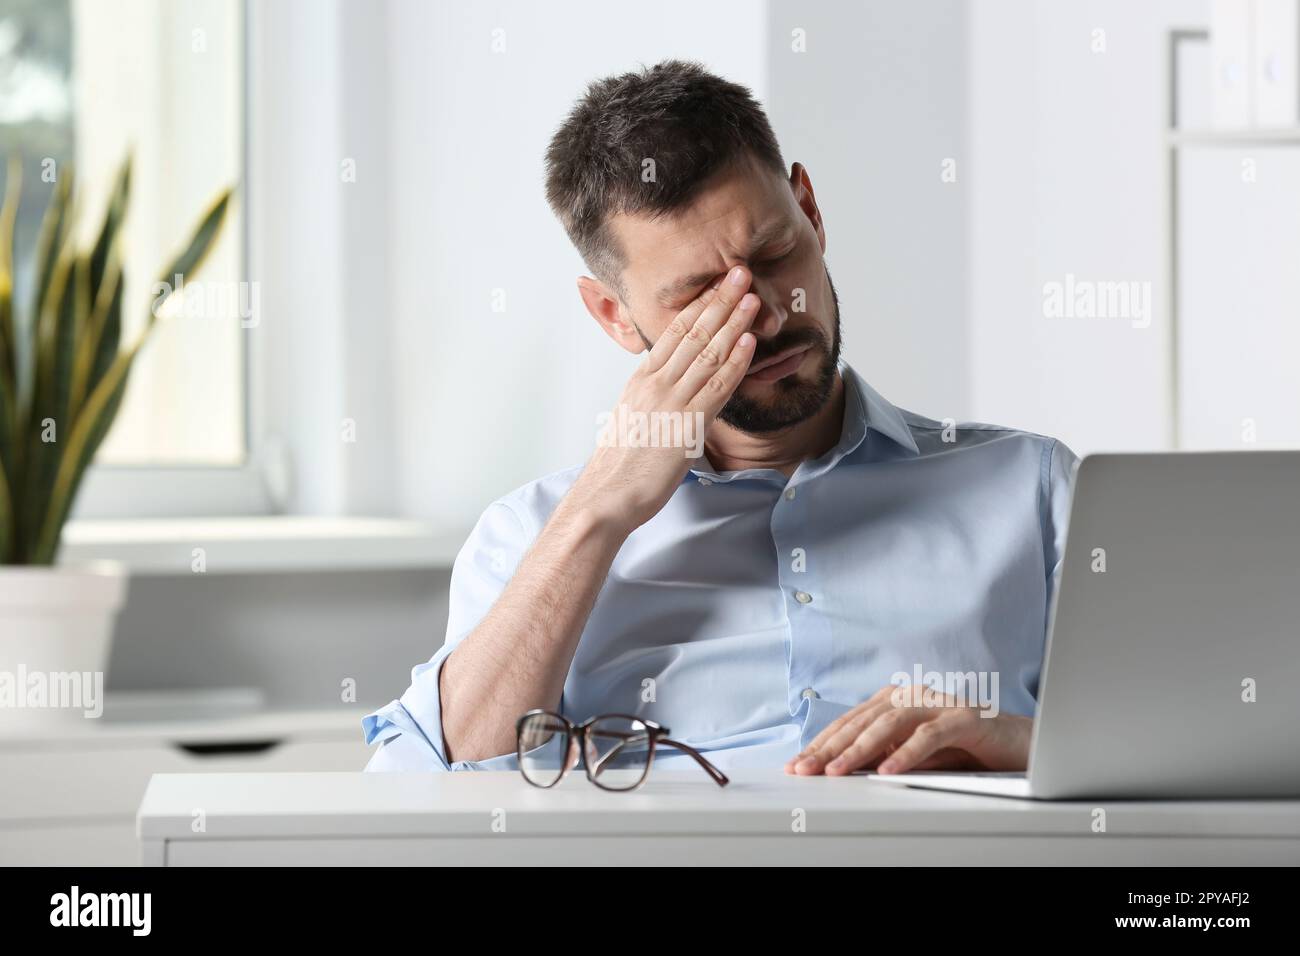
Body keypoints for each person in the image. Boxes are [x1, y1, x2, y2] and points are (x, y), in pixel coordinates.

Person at [364, 60, 1076, 777]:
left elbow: (1181, 743)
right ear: (615, 315)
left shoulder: (1032, 489)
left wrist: (1021, 743)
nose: (764, 316)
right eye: (700, 296)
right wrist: (602, 507)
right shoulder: (530, 533)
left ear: (811, 211)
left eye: (775, 253)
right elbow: (418, 787)